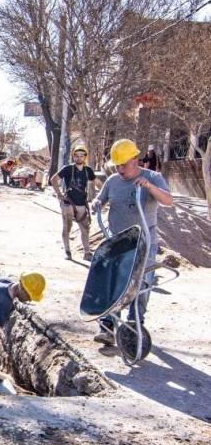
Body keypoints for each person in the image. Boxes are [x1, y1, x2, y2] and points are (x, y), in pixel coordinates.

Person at [91, 139, 173, 345]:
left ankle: (134, 324)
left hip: (145, 243)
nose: (119, 169)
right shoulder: (112, 181)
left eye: (123, 164)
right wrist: (97, 202)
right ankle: (108, 325)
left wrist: (149, 187)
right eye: (116, 165)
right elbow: (102, 198)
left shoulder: (153, 177)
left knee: (141, 284)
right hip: (118, 242)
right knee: (113, 283)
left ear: (135, 160)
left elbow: (168, 201)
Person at [50, 145, 96, 261]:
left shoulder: (88, 170)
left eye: (81, 155)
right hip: (68, 204)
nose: (79, 158)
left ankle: (87, 253)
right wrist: (59, 194)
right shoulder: (68, 169)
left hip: (81, 204)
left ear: (85, 157)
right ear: (73, 156)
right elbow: (53, 179)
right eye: (76, 155)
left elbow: (98, 182)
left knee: (85, 229)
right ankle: (67, 251)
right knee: (67, 228)